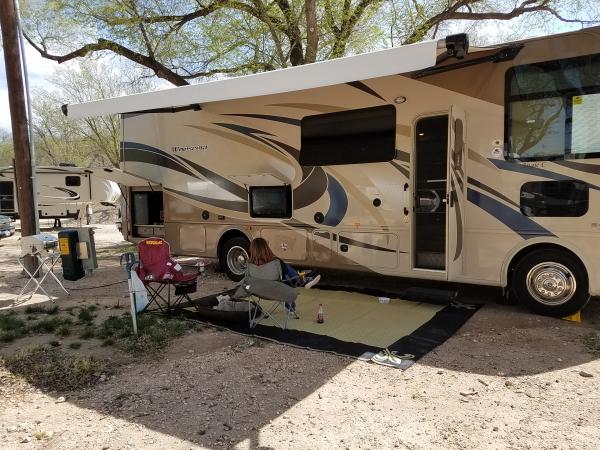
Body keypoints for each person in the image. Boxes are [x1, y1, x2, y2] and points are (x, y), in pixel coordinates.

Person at [247, 237, 321, 289]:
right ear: (266, 248)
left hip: (258, 291)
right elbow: (286, 274)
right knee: (286, 278)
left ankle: (303, 278)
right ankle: (303, 280)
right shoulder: (276, 262)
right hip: (277, 290)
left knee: (285, 276)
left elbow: (247, 279)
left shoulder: (249, 265)